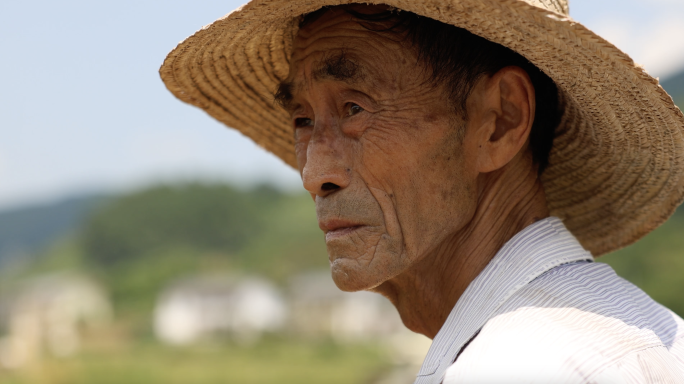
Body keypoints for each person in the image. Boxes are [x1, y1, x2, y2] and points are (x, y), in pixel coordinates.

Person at [160, 0, 684, 382]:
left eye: (354, 109)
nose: (314, 172)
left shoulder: (515, 367)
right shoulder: (652, 334)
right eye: (302, 118)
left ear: (499, 121)